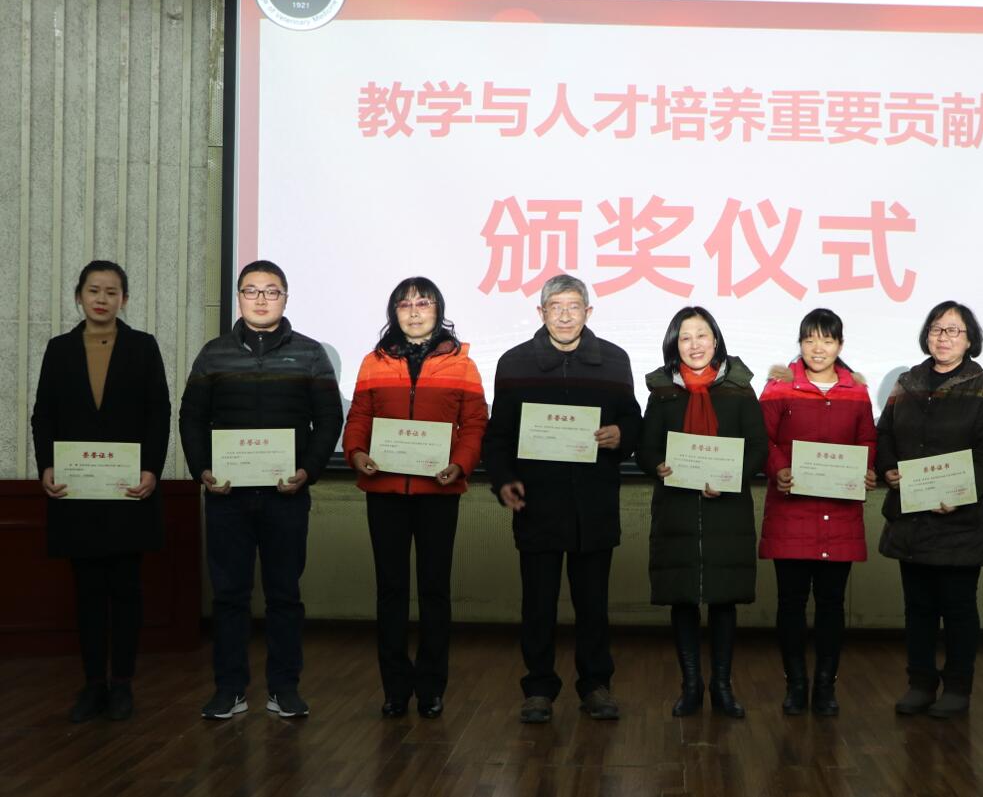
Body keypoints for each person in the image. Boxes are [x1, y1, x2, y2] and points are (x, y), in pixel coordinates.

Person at [179, 259, 343, 720]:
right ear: (239, 298)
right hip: (227, 496)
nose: (261, 299)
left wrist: (308, 471)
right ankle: (229, 689)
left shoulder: (310, 354)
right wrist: (203, 470)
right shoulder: (213, 354)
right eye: (251, 291)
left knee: (284, 595)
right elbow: (191, 417)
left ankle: (284, 689)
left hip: (285, 495)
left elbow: (329, 418)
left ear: (285, 298)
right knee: (229, 596)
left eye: (271, 291)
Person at [481, 275, 641, 724]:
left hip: (594, 503)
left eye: (574, 307)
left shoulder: (614, 360)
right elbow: (498, 436)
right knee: (538, 604)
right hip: (538, 504)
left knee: (593, 605)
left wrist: (622, 435)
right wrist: (503, 480)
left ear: (588, 312)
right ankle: (538, 688)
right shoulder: (514, 363)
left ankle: (596, 685)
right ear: (541, 313)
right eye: (556, 307)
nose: (565, 315)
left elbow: (633, 419)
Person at [342, 277, 487, 719]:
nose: (414, 311)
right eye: (405, 305)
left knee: (434, 590)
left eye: (423, 303)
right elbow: (359, 416)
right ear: (394, 312)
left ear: (438, 311)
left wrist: (460, 464)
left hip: (438, 491)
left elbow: (475, 424)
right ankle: (395, 688)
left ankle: (431, 687)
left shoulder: (462, 363)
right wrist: (356, 453)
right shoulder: (373, 362)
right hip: (384, 491)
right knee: (390, 590)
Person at [31, 260, 171, 723]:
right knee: (88, 591)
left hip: (128, 489)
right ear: (79, 296)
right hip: (78, 491)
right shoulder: (59, 349)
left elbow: (158, 412)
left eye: (112, 292)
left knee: (126, 589)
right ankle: (93, 685)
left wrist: (151, 469)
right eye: (94, 290)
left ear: (124, 300)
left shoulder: (143, 347)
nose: (102, 299)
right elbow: (43, 415)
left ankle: (123, 683)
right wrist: (46, 466)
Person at [876, 300, 983, 717]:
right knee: (918, 609)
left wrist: (963, 491)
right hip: (912, 517)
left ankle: (957, 687)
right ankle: (920, 683)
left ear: (970, 340)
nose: (943, 337)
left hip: (959, 520)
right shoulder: (906, 383)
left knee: (958, 608)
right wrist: (887, 467)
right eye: (937, 329)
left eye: (953, 330)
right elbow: (884, 434)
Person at [638, 306, 767, 719]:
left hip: (726, 511)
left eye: (702, 336)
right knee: (683, 600)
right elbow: (646, 448)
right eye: (685, 338)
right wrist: (656, 465)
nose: (695, 345)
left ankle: (722, 688)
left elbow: (758, 447)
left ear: (716, 341)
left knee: (724, 601)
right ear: (674, 345)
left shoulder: (739, 390)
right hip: (676, 510)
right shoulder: (662, 392)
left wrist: (732, 477)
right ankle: (691, 686)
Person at [758, 308, 877, 716]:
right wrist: (779, 469)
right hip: (791, 514)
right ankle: (796, 685)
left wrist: (866, 470)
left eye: (827, 340)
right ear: (800, 343)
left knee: (831, 604)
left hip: (839, 516)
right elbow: (763, 439)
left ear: (840, 345)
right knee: (790, 603)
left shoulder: (856, 392)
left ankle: (825, 687)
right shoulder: (778, 387)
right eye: (810, 339)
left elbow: (867, 441)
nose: (818, 348)